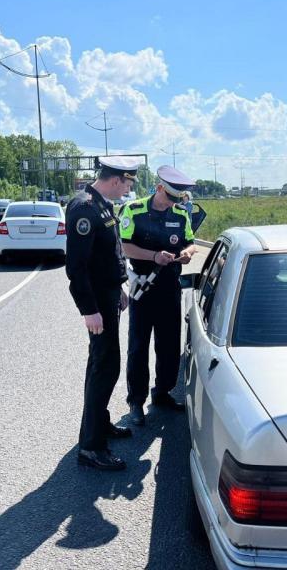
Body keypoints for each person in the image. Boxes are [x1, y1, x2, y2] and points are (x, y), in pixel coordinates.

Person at [65, 155, 138, 471]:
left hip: (108, 296)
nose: (128, 189)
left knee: (102, 366)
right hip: (97, 304)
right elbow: (76, 267)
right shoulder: (85, 208)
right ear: (116, 179)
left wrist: (118, 287)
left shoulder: (104, 204)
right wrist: (90, 310)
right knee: (105, 368)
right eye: (128, 183)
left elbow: (109, 253)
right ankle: (91, 448)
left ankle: (99, 424)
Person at [118, 165, 197, 426]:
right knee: (139, 348)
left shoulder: (181, 214)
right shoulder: (134, 210)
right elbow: (124, 246)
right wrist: (153, 256)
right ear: (160, 187)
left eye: (178, 199)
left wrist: (188, 252)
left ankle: (162, 393)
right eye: (171, 197)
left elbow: (190, 241)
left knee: (169, 346)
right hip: (143, 287)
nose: (174, 203)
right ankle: (136, 401)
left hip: (169, 288)